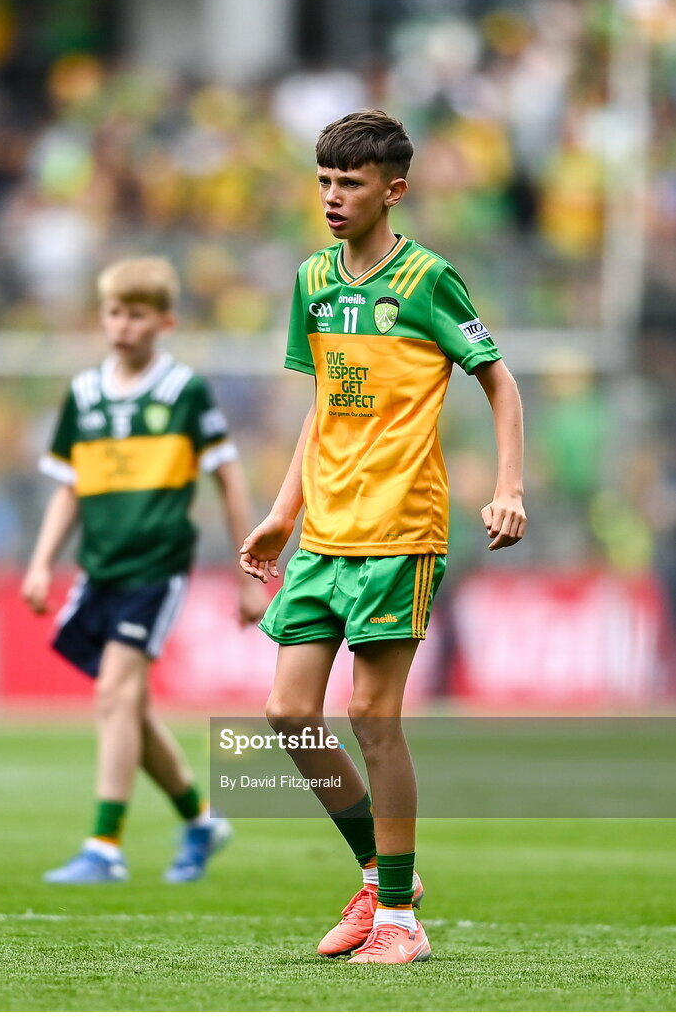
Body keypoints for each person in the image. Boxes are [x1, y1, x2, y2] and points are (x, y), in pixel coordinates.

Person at [240, 111, 526, 964]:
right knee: (287, 713)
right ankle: (380, 870)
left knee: (372, 716)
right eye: (324, 181)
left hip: (401, 528)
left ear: (392, 191)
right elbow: (323, 404)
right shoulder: (312, 281)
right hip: (325, 530)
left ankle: (398, 918)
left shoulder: (430, 280)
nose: (332, 197)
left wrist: (508, 487)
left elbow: (499, 383)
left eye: (351, 184)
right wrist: (283, 511)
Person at [22, 255, 267, 885]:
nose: (121, 326)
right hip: (99, 567)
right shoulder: (84, 394)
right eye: (113, 313)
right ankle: (202, 819)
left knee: (114, 694)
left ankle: (104, 845)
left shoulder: (183, 391)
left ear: (164, 320)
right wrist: (42, 562)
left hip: (156, 567)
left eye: (135, 314)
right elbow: (70, 486)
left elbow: (228, 475)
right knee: (126, 703)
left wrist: (249, 570)